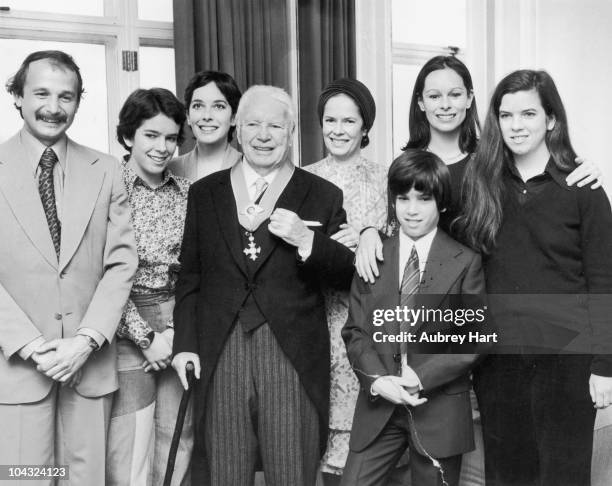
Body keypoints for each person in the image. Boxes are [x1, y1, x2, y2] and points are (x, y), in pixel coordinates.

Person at [171, 85, 355, 486]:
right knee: (225, 469)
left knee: (292, 470)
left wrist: (308, 241)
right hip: (221, 346)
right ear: (237, 129)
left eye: (276, 125)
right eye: (253, 123)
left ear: (291, 133)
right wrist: (184, 342)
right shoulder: (206, 193)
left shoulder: (321, 193)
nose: (264, 135)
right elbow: (190, 276)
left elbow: (348, 274)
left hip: (291, 349)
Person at [457, 69, 612, 486]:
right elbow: (419, 193)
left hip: (568, 360)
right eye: (506, 115)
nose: (516, 125)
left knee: (564, 475)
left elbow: (604, 279)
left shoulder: (584, 187)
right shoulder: (480, 182)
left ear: (551, 120)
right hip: (499, 362)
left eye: (528, 113)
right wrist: (366, 233)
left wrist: (605, 364)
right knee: (507, 476)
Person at [0, 50, 137, 485]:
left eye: (67, 96)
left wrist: (86, 340)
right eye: (41, 93)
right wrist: (30, 344)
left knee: (86, 480)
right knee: (26, 479)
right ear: (17, 97)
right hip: (19, 367)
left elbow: (121, 264)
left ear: (79, 102)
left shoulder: (108, 170)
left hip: (90, 363)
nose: (53, 107)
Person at [341, 150, 488, 486]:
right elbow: (355, 332)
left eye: (423, 199)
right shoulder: (373, 255)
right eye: (403, 198)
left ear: (441, 203)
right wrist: (378, 380)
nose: (411, 209)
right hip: (379, 406)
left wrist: (419, 377)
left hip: (437, 408)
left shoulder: (465, 261)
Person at [106, 88, 192, 486]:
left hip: (179, 319)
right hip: (124, 323)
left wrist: (175, 333)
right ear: (128, 136)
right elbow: (98, 277)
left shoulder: (188, 195)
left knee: (177, 437)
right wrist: (145, 337)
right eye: (151, 135)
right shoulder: (106, 189)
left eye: (171, 137)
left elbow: (199, 271)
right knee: (131, 441)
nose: (162, 147)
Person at [303, 77, 387, 486]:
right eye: (330, 120)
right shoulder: (301, 178)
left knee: (369, 443)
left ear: (365, 127)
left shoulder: (387, 179)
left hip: (366, 321)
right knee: (318, 441)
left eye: (348, 121)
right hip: (314, 319)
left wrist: (372, 232)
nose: (338, 129)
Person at [168, 70, 242, 180]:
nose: (207, 116)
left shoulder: (249, 169)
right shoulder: (169, 170)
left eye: (219, 106)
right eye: (198, 106)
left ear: (233, 117)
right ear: (188, 116)